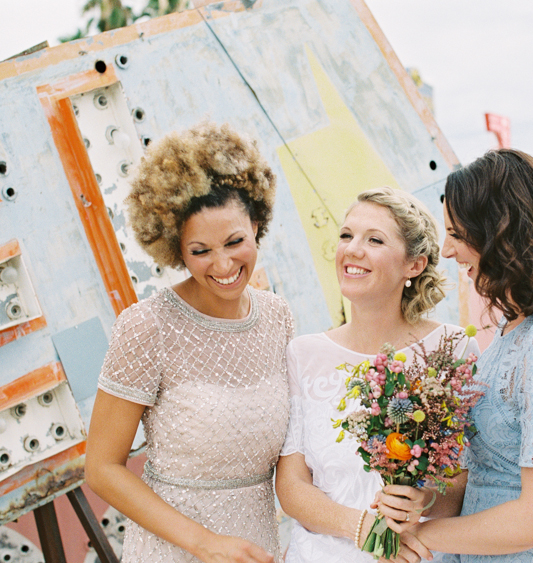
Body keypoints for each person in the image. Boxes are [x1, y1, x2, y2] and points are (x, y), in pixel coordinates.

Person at [85, 122, 294, 563]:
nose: (223, 264)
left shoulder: (278, 317)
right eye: (200, 251)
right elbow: (102, 470)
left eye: (235, 241)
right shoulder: (147, 327)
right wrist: (202, 543)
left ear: (257, 224)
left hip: (257, 547)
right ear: (176, 249)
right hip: (173, 551)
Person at [377, 149, 533, 561]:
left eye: (457, 235)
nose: (446, 251)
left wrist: (426, 536)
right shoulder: (517, 322)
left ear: (499, 233)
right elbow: (487, 473)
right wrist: (419, 504)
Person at [274, 187, 480, 563]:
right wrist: (363, 529)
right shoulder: (302, 354)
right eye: (346, 235)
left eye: (374, 239)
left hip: (417, 553)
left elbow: (469, 478)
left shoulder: (452, 349)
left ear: (413, 265)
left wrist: (426, 499)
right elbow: (291, 485)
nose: (352, 249)